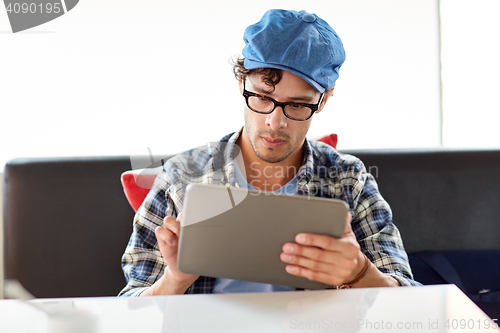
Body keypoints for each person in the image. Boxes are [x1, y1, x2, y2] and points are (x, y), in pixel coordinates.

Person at [119, 9, 419, 297]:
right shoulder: (181, 174)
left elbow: (410, 299)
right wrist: (175, 281)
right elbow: (129, 308)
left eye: (298, 105)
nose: (275, 123)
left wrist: (360, 273)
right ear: (241, 83)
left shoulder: (348, 179)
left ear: (323, 100)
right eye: (263, 97)